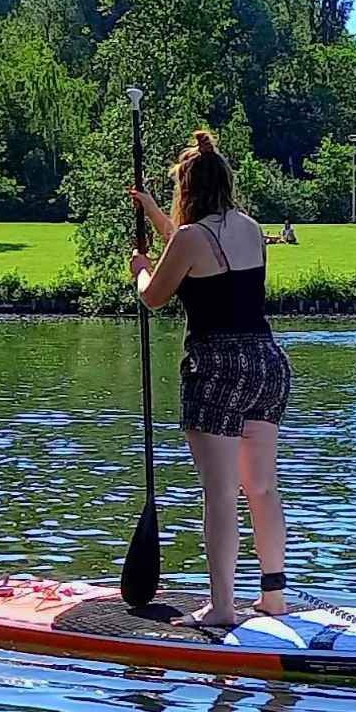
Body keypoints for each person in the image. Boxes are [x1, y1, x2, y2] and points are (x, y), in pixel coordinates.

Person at [129, 131, 292, 627]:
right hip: (267, 362)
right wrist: (154, 212)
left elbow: (156, 294)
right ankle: (273, 596)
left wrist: (139, 270)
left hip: (215, 366)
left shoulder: (189, 239)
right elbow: (198, 253)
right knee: (260, 487)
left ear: (188, 189)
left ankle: (222, 608)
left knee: (220, 493)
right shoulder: (250, 227)